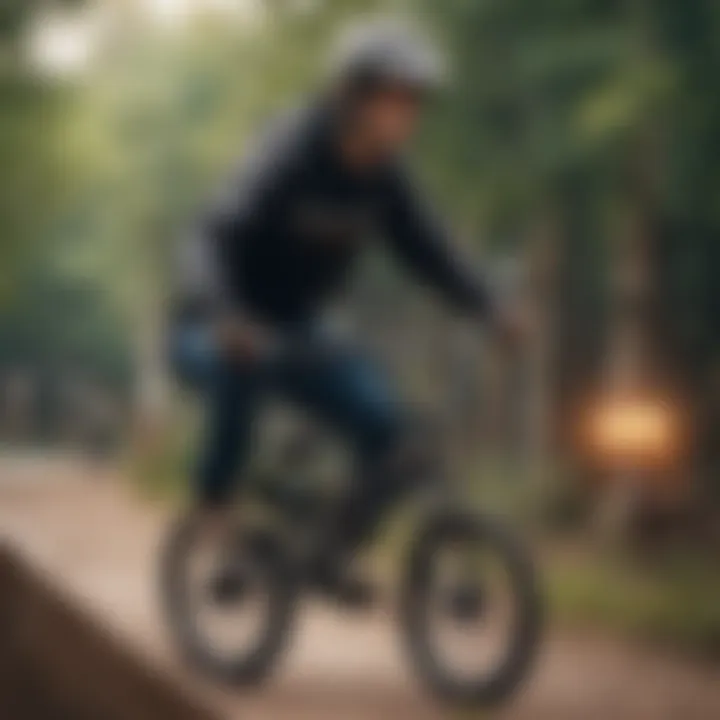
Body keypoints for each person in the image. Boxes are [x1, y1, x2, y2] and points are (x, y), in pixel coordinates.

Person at [171, 18, 521, 605]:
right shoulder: (289, 152)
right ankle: (214, 505)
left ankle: (335, 546)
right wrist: (225, 315)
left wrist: (491, 307)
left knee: (387, 430)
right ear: (350, 95)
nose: (406, 114)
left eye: (415, 102)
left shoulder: (385, 178)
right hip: (211, 325)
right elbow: (210, 237)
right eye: (393, 98)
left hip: (298, 332)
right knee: (243, 364)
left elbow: (429, 252)